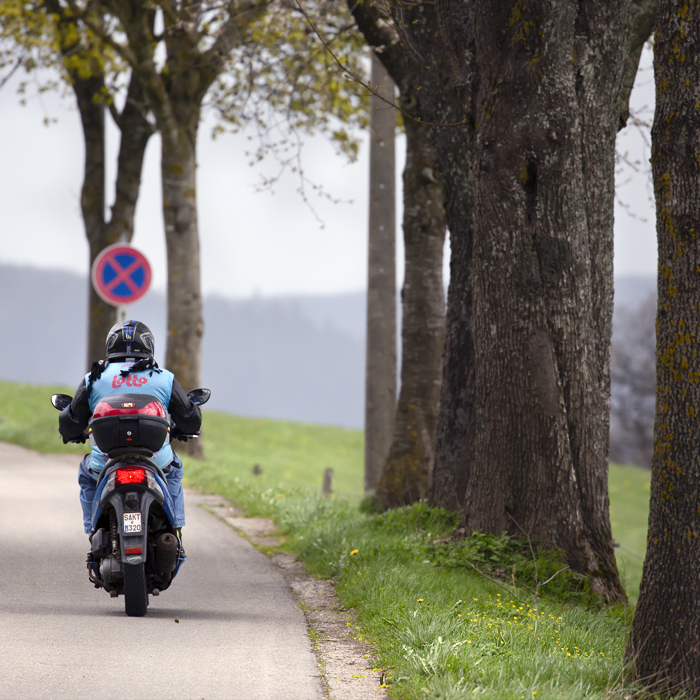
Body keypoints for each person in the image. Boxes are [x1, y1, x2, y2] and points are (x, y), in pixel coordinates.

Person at [58, 320, 202, 541]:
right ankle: (175, 529)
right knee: (173, 469)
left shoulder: (94, 377)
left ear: (110, 346)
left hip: (104, 463)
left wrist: (72, 432)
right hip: (157, 461)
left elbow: (72, 422)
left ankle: (93, 530)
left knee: (86, 474)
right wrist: (182, 429)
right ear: (149, 346)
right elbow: (189, 418)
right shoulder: (163, 377)